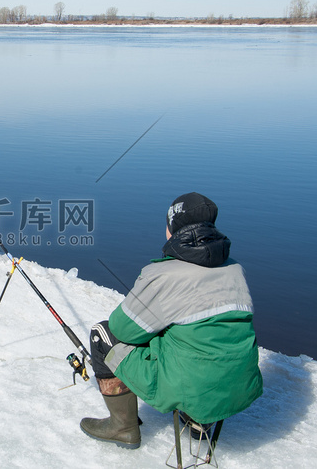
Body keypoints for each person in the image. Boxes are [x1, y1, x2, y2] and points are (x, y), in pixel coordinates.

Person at [80, 192, 263, 449]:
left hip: (192, 388)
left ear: (173, 229)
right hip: (242, 387)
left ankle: (122, 428)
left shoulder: (163, 275)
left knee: (103, 334)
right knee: (196, 336)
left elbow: (123, 329)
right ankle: (200, 424)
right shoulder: (234, 268)